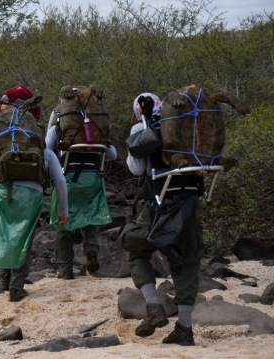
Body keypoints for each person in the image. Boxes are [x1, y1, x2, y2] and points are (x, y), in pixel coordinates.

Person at [118, 93, 205, 346]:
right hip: (191, 202)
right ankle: (184, 329)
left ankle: (154, 308)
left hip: (160, 204)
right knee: (186, 260)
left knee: (134, 247)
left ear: (138, 111)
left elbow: (136, 168)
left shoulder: (141, 127)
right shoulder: (188, 124)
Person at [0, 147, 69, 301]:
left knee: (4, 235)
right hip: (31, 196)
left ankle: (4, 279)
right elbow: (60, 181)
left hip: (4, 193)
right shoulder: (44, 150)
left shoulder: (4, 144)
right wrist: (63, 212)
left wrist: (1, 185)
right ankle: (16, 287)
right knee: (24, 240)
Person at [45, 121, 117, 279]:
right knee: (90, 216)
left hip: (68, 179)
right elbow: (112, 155)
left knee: (63, 223)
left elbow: (48, 151)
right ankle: (91, 248)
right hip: (93, 179)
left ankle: (66, 269)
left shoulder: (59, 125)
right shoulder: (95, 124)